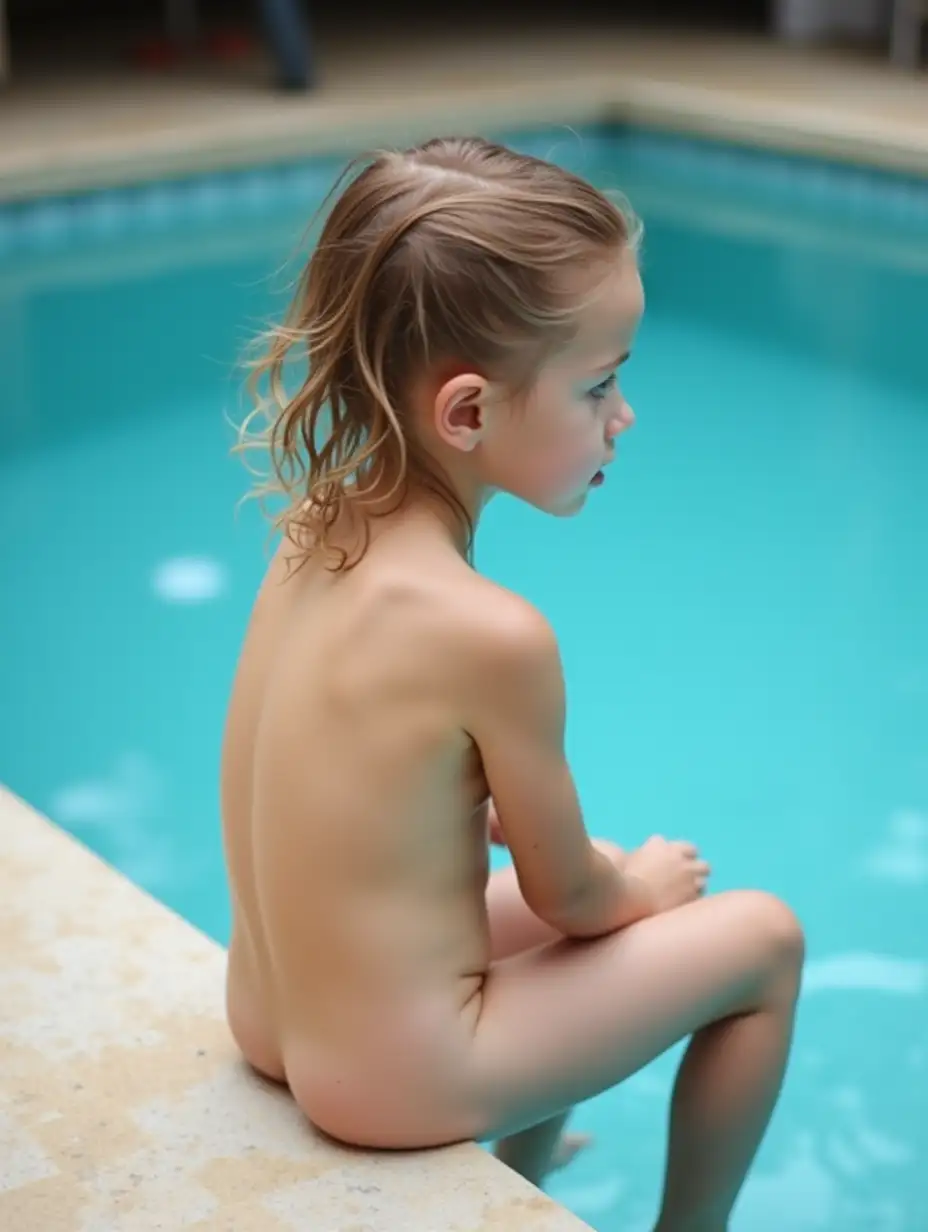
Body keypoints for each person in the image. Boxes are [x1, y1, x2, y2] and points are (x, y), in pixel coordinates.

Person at [221, 136, 804, 1229]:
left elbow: (330, 792)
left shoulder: (311, 530)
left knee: (615, 898)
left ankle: (525, 1169)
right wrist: (644, 888)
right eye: (598, 383)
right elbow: (566, 898)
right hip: (391, 1076)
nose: (621, 416)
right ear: (469, 412)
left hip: (272, 1014)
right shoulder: (495, 633)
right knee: (755, 934)